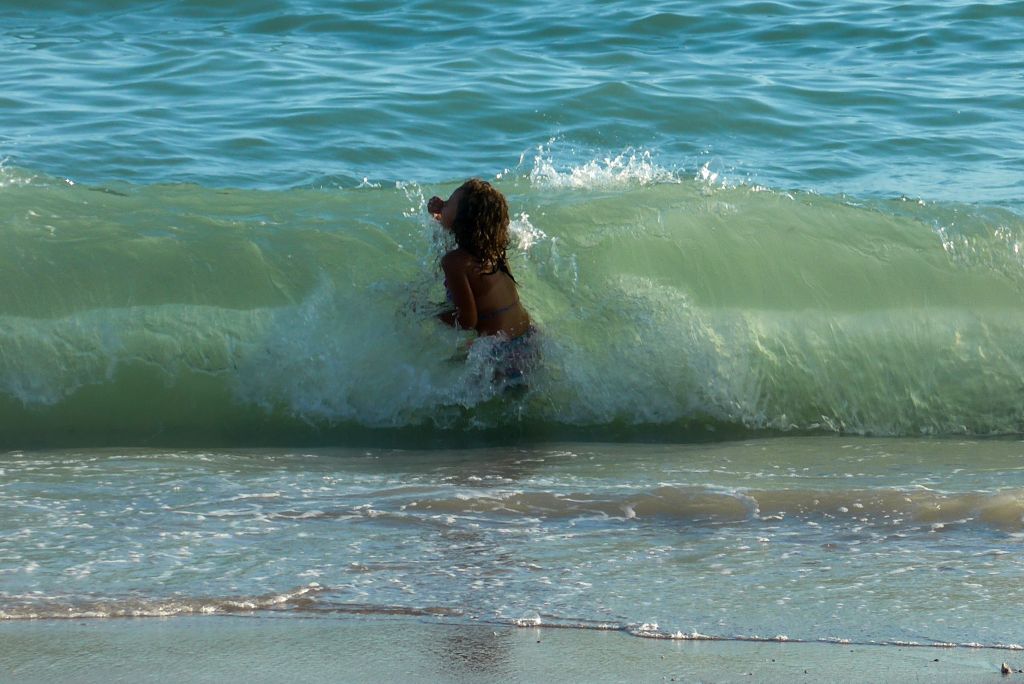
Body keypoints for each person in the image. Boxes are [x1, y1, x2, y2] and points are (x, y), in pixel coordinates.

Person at [427, 179, 536, 381]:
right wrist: (442, 216)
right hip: (528, 337)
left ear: (462, 221)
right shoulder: (494, 250)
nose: (444, 202)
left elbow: (468, 321)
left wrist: (430, 313)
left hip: (501, 353)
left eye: (449, 201)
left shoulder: (454, 262)